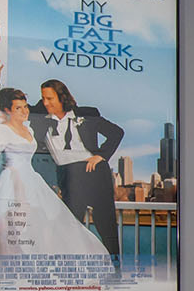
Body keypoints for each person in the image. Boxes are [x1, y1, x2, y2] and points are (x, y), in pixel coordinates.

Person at [0, 88, 109, 265]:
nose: (24, 111)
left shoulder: (28, 128)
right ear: (7, 110)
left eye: (25, 106)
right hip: (12, 180)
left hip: (32, 180)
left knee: (49, 223)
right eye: (18, 108)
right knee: (13, 227)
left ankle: (45, 267)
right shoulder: (1, 129)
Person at [36, 80, 126, 263]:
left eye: (50, 98)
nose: (46, 103)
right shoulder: (41, 119)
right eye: (43, 98)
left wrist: (101, 155)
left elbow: (117, 132)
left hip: (94, 172)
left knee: (106, 226)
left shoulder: (87, 115)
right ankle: (68, 269)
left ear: (62, 97)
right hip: (69, 176)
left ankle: (115, 270)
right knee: (67, 227)